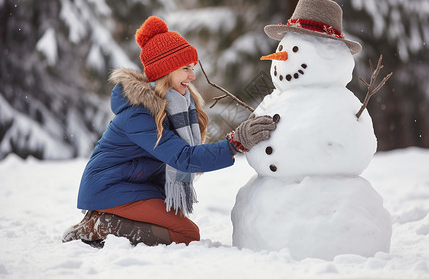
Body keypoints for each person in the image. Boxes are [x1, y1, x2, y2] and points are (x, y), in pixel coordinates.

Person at [62, 16, 277, 248]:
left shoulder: (174, 106)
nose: (192, 76)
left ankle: (106, 221)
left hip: (137, 187)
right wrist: (235, 143)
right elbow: (184, 157)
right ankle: (101, 225)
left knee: (178, 231)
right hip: (109, 188)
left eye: (192, 68)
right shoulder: (139, 114)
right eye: (185, 68)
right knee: (187, 235)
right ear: (166, 71)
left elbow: (187, 154)